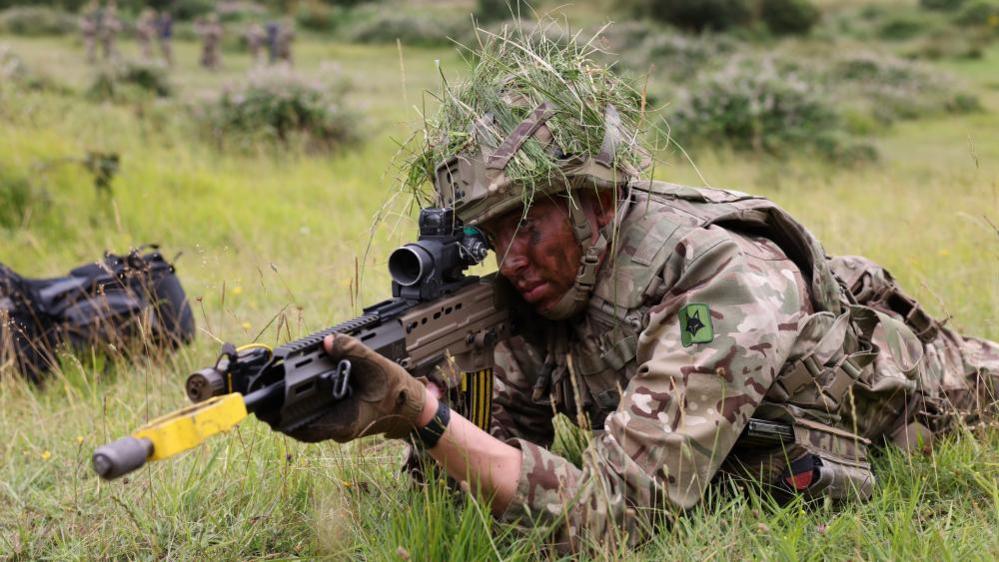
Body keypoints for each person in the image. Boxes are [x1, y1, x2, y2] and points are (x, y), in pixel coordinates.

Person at [280, 34, 999, 554]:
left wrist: (427, 416)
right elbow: (489, 476)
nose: (511, 257)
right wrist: (414, 412)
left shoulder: (718, 279)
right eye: (490, 234)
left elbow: (615, 522)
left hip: (945, 399)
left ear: (597, 200)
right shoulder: (543, 290)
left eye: (528, 222)